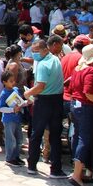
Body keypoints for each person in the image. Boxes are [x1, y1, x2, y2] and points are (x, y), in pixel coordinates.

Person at [24, 36, 67, 178]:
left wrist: (28, 92)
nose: (34, 54)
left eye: (36, 51)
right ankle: (56, 168)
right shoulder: (55, 60)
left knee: (37, 133)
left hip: (44, 101)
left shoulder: (42, 65)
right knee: (55, 135)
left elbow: (40, 86)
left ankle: (32, 165)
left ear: (44, 49)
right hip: (57, 100)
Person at [67, 44, 93, 186]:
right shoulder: (91, 71)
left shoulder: (77, 69)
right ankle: (76, 175)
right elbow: (88, 93)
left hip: (75, 105)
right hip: (86, 107)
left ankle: (77, 171)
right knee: (84, 139)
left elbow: (71, 88)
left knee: (77, 137)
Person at [0, 70, 25, 166]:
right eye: (10, 81)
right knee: (11, 140)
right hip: (9, 120)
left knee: (19, 139)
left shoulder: (16, 90)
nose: (13, 82)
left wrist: (26, 103)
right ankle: (9, 158)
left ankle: (16, 156)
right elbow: (0, 108)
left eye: (14, 80)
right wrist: (12, 110)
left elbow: (20, 102)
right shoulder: (4, 93)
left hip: (17, 118)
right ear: (4, 82)